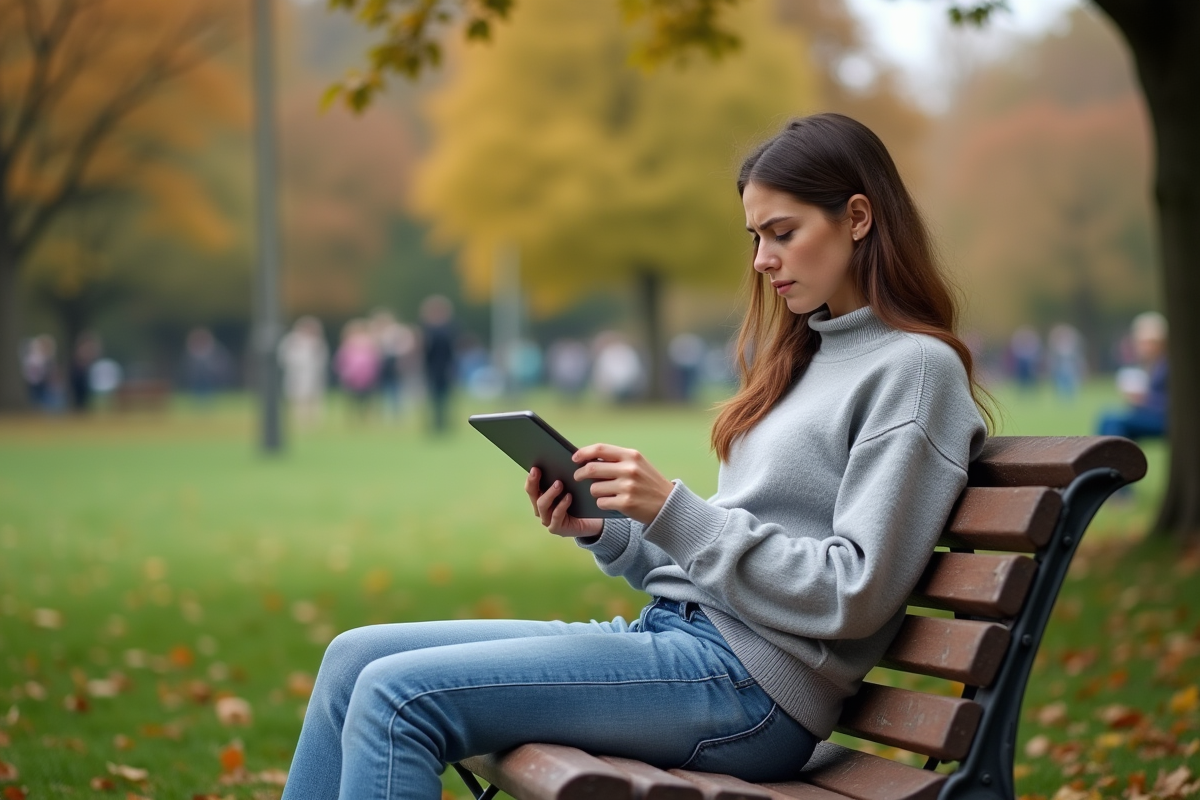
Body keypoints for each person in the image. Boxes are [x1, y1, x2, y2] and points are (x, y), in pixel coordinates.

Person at [280, 114, 990, 800]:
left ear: (858, 218)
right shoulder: (804, 356)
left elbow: (853, 592)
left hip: (752, 690)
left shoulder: (914, 371)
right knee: (352, 659)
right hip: (683, 645)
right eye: (755, 236)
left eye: (782, 233)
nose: (762, 260)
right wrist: (612, 529)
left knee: (399, 699)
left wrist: (675, 511)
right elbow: (724, 566)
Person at [1097, 311, 1168, 440]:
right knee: (1113, 422)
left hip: (1165, 419)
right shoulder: (1152, 364)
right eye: (1141, 342)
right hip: (1155, 415)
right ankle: (1116, 459)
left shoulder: (1166, 365)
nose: (1145, 347)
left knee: (1111, 419)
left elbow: (1172, 403)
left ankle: (1108, 459)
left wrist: (1143, 400)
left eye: (1150, 342)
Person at [279, 316, 330, 426]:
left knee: (315, 398)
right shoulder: (292, 341)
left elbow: (322, 358)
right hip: (297, 374)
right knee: (298, 399)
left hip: (314, 374)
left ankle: (314, 422)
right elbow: (284, 357)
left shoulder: (317, 342)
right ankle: (300, 421)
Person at [419, 295, 457, 433]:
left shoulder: (450, 328)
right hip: (431, 369)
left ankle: (444, 424)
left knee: (445, 399)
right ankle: (434, 424)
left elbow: (452, 350)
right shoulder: (426, 329)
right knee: (433, 399)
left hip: (445, 368)